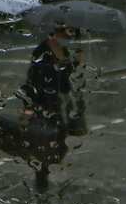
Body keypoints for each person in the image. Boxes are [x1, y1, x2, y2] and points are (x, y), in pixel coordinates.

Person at [18, 25, 82, 192]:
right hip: (43, 104)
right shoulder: (42, 51)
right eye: (66, 33)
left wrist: (74, 63)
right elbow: (32, 80)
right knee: (44, 144)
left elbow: (66, 81)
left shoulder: (65, 51)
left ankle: (44, 177)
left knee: (59, 144)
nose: (68, 37)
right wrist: (28, 108)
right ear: (56, 32)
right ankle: (42, 183)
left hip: (59, 105)